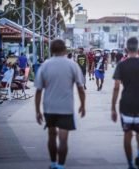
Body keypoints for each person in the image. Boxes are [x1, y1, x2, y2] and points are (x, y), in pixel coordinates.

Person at [34, 39, 86, 169]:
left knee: (51, 136)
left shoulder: (45, 65)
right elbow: (80, 87)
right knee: (63, 139)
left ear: (51, 50)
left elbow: (38, 90)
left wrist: (37, 111)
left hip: (49, 107)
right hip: (66, 108)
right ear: (65, 50)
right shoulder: (72, 65)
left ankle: (53, 163)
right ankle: (61, 166)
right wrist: (83, 105)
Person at [111, 37, 139, 169]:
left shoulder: (121, 65)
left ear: (125, 49)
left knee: (127, 135)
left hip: (126, 105)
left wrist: (113, 108)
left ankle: (130, 164)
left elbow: (116, 87)